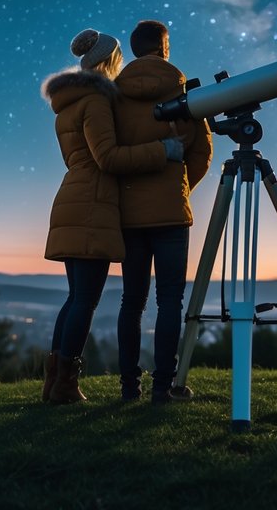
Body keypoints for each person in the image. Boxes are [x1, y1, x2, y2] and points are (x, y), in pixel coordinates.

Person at [40, 28, 184, 405]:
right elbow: (108, 158)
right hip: (93, 204)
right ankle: (66, 385)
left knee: (75, 298)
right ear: (109, 60)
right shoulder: (97, 101)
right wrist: (163, 150)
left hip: (72, 198)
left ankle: (54, 382)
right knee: (85, 300)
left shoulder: (67, 104)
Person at [113, 20, 213, 403]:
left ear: (135, 49)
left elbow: (111, 149)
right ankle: (162, 388)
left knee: (131, 302)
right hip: (171, 212)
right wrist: (179, 184)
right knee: (170, 300)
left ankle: (128, 388)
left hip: (129, 213)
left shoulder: (115, 95)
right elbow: (202, 154)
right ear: (164, 47)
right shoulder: (184, 93)